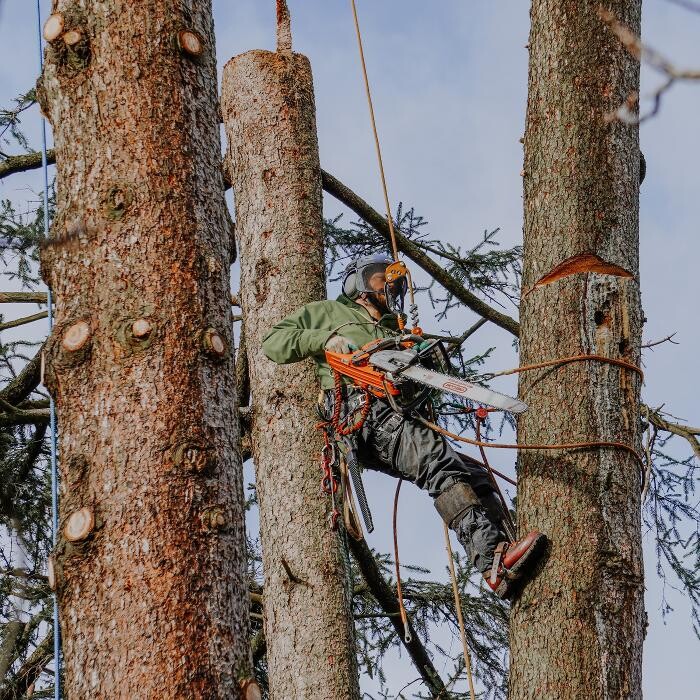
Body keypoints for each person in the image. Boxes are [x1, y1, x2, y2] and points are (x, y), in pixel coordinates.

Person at [262, 253, 546, 598]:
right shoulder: (329, 313)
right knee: (434, 457)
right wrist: (322, 341)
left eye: (390, 279)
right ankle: (491, 562)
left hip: (395, 415)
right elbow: (273, 342)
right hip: (359, 412)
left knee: (473, 474)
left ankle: (504, 548)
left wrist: (424, 353)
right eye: (380, 277)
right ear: (360, 282)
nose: (388, 284)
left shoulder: (394, 329)